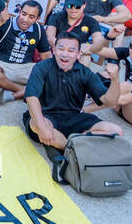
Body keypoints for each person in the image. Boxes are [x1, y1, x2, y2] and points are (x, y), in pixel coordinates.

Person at [23, 33, 123, 173]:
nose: (65, 54)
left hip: (74, 117)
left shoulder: (85, 72)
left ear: (78, 54)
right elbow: (31, 97)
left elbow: (110, 101)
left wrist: (115, 80)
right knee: (37, 125)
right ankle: (78, 148)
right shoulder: (41, 67)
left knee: (115, 131)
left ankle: (65, 147)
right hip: (46, 115)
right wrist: (41, 125)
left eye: (71, 51)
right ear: (54, 50)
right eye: (61, 49)